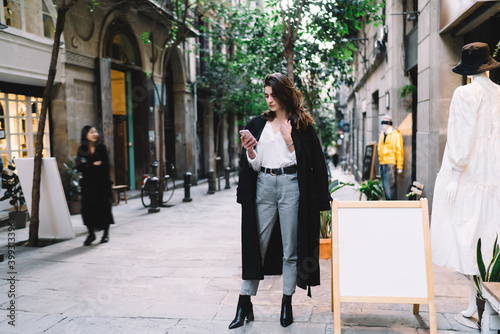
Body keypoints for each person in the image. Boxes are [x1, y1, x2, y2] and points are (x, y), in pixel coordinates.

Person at [230, 73, 332, 329]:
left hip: (291, 187)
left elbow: (310, 164)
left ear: (284, 94)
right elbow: (253, 165)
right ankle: (244, 302)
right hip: (263, 185)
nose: (269, 100)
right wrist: (251, 151)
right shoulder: (257, 124)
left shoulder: (301, 125)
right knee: (257, 244)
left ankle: (287, 302)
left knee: (290, 248)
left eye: (273, 95)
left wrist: (289, 140)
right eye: (266, 96)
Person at [431, 42, 500, 320]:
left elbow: (461, 136)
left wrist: (455, 173)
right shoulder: (499, 93)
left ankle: (480, 299)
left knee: (462, 237)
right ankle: (477, 301)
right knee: (485, 238)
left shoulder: (464, 93)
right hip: (493, 174)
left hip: (469, 174)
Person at [76, 125, 115, 246]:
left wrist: (88, 165)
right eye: (91, 132)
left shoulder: (101, 148)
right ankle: (91, 234)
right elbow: (79, 167)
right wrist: (94, 165)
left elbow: (105, 166)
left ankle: (105, 234)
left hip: (102, 184)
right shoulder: (82, 149)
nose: (95, 134)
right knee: (87, 209)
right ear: (85, 135)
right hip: (88, 186)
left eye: (96, 132)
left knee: (104, 208)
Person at [377, 115, 403, 200]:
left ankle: (392, 206)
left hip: (390, 163)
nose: (383, 124)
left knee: (389, 187)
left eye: (385, 122)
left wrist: (399, 166)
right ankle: (389, 205)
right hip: (382, 163)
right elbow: (380, 148)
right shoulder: (382, 134)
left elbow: (399, 150)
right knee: (385, 186)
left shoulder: (395, 134)